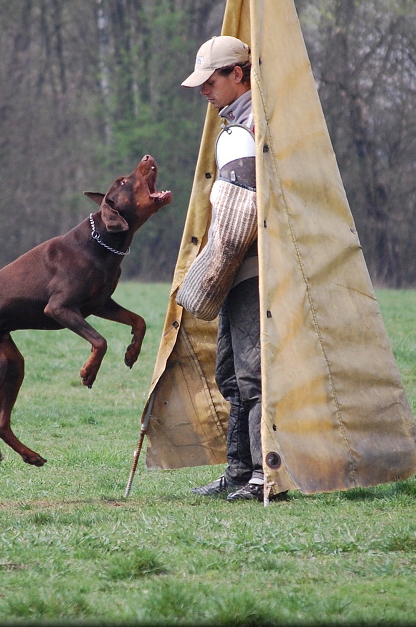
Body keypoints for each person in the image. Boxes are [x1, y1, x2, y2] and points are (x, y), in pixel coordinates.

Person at [181, 35, 265, 502]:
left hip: (252, 269)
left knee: (252, 374)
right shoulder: (237, 122)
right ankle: (237, 471)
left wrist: (207, 275)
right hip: (239, 270)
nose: (202, 91)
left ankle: (261, 474)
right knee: (232, 372)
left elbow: (238, 224)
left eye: (209, 81)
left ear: (238, 74)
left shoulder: (250, 127)